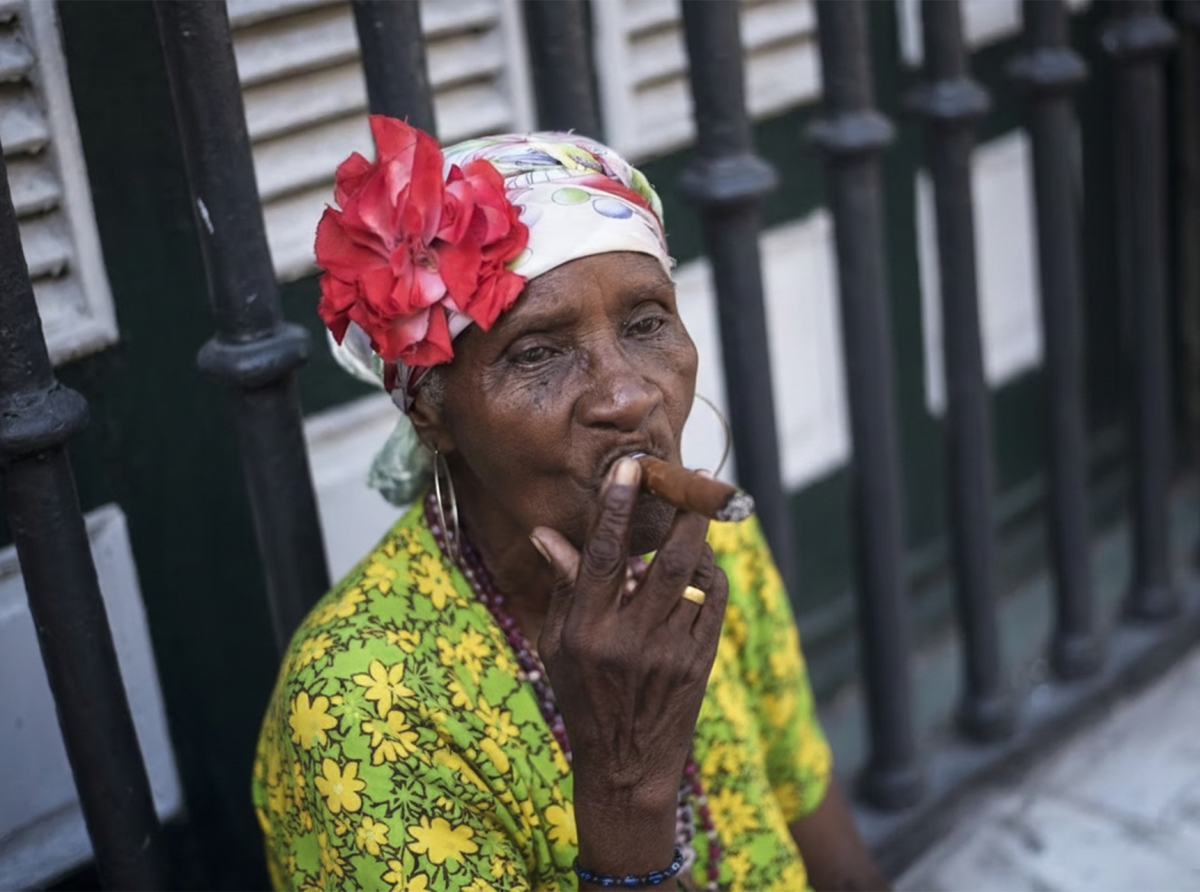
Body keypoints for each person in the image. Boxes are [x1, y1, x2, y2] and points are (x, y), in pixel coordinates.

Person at [252, 117, 886, 891]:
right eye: (537, 353)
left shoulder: (708, 549)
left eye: (647, 323)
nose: (627, 394)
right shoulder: (359, 706)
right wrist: (625, 789)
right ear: (431, 415)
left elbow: (807, 801)